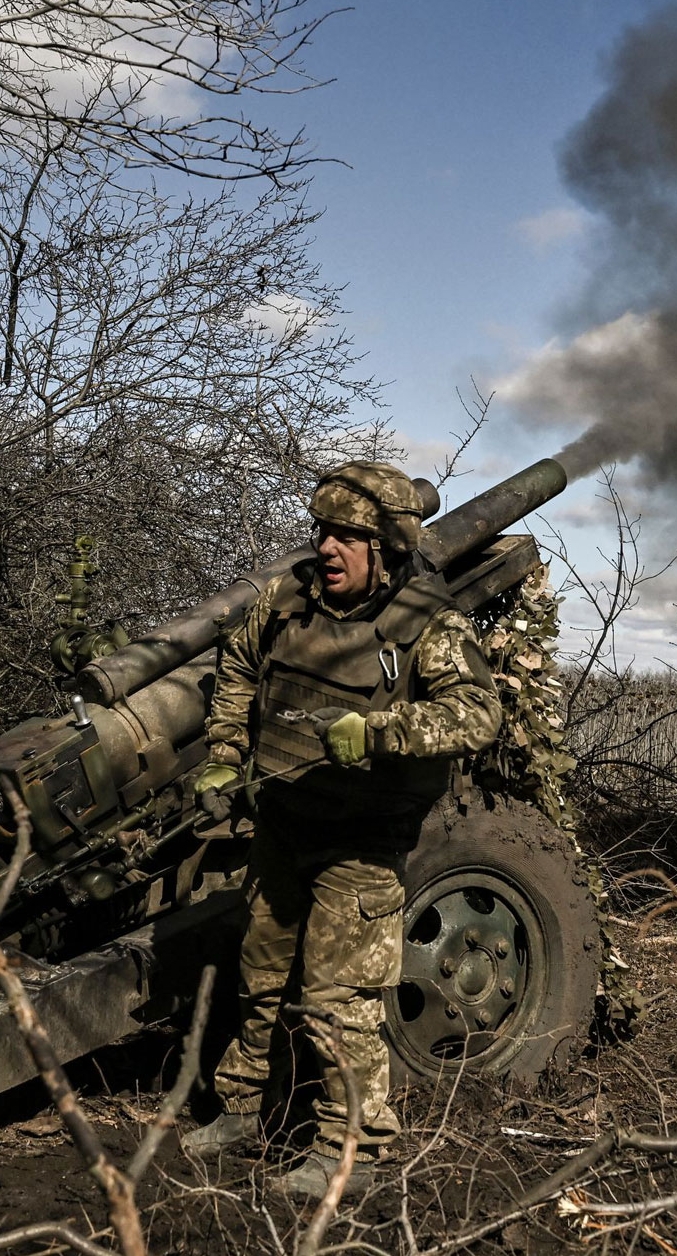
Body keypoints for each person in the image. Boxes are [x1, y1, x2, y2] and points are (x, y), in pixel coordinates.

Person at [181, 462, 501, 1200]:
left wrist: (383, 731)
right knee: (260, 980)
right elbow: (236, 666)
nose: (327, 547)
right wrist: (226, 757)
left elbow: (478, 717)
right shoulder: (288, 599)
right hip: (283, 823)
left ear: (386, 548)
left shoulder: (429, 625)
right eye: (322, 531)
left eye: (347, 537)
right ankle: (242, 1110)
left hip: (361, 841)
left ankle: (352, 1150)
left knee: (340, 1001)